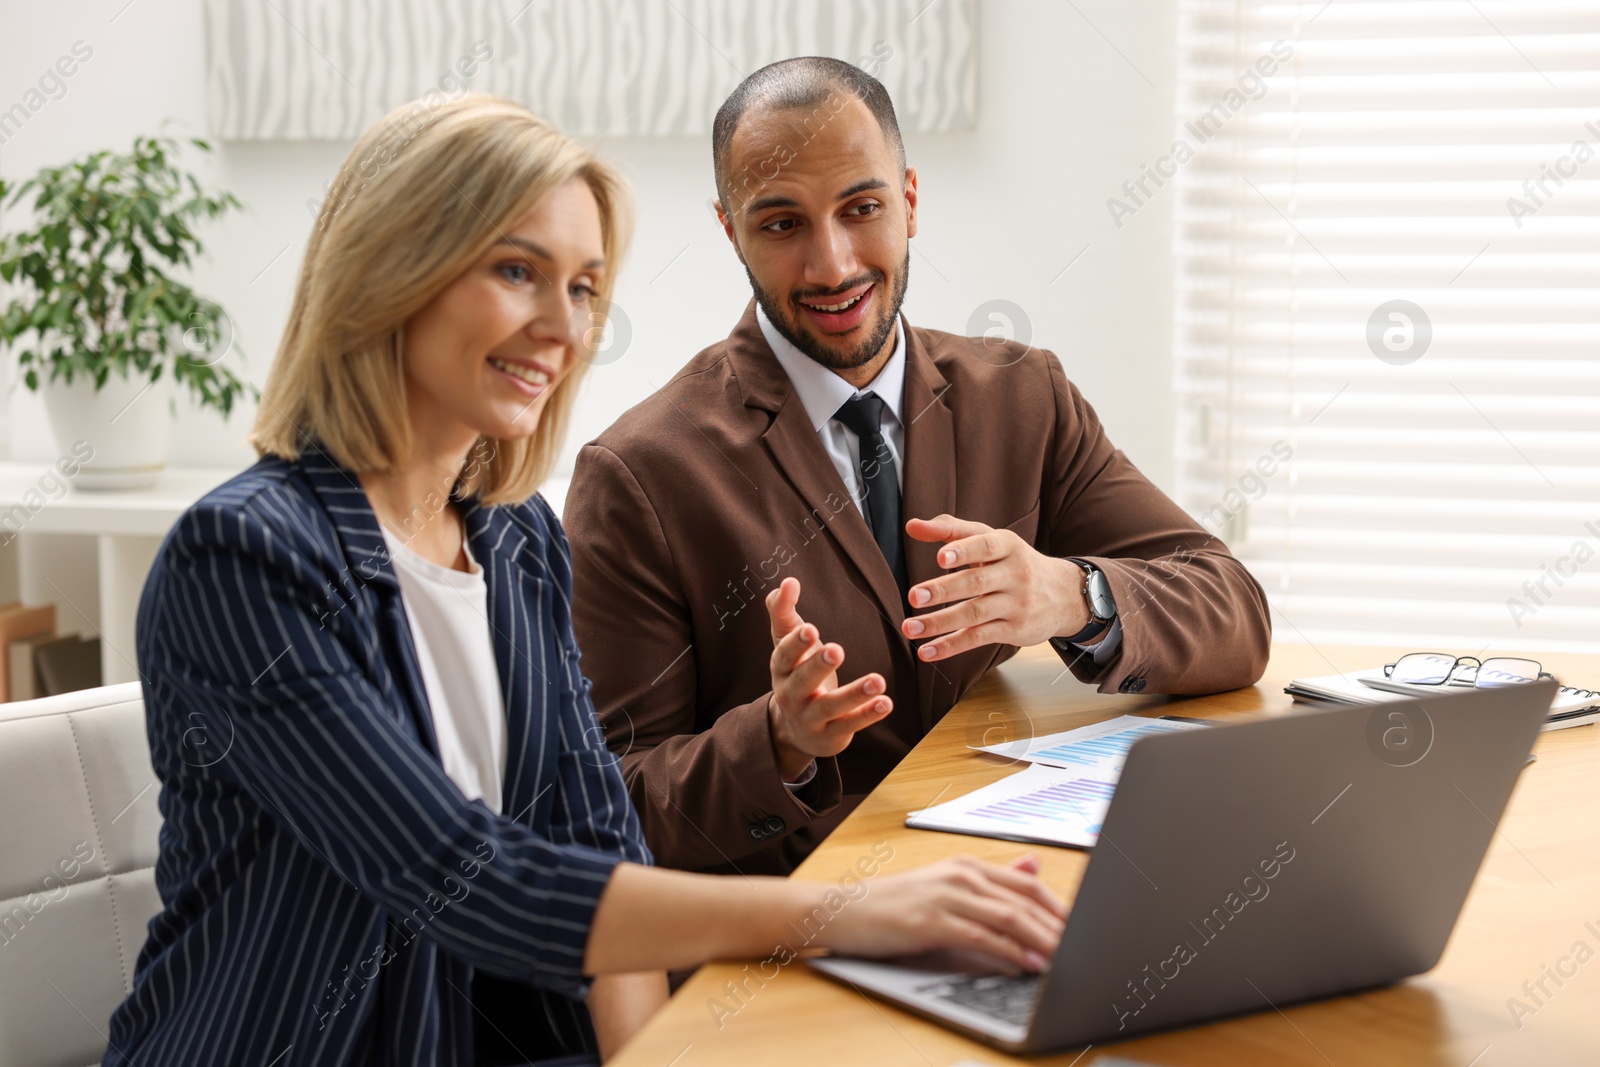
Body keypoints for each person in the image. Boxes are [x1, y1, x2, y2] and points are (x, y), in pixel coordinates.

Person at [103, 94, 1064, 1067]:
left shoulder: (516, 540)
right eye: (518, 271)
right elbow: (460, 874)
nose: (560, 326)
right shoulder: (243, 556)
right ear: (389, 272)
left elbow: (599, 857)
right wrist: (845, 912)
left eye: (584, 288)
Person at [564, 57, 1273, 876]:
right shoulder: (640, 473)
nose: (832, 266)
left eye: (861, 209)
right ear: (732, 233)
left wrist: (1071, 594)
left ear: (907, 201)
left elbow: (1232, 607)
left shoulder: (1023, 396)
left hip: (1012, 886)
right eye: (783, 224)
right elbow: (607, 809)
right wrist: (778, 741)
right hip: (800, 941)